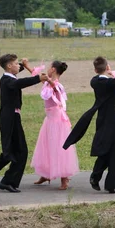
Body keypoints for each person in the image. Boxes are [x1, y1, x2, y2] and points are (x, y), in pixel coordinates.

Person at [63, 56, 115, 194]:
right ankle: (104, 180)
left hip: (101, 118)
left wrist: (110, 74)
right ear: (107, 67)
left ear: (95, 69)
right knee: (113, 150)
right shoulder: (109, 83)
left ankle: (100, 179)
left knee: (108, 149)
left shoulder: (95, 81)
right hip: (111, 120)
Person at [0, 54, 48, 192]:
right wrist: (37, 78)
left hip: (13, 117)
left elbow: (16, 76)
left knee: (11, 151)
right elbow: (18, 84)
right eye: (16, 64)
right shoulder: (7, 80)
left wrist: (23, 64)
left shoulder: (9, 76)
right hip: (9, 118)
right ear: (9, 66)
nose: (18, 66)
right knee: (21, 151)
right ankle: (8, 181)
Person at [31, 61, 79, 190]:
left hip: (57, 121)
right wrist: (26, 66)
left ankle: (64, 179)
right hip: (49, 119)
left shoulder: (57, 85)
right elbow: (35, 75)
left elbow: (55, 87)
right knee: (46, 146)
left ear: (52, 70)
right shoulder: (47, 82)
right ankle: (45, 174)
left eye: (49, 68)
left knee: (59, 147)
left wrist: (49, 80)